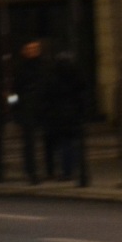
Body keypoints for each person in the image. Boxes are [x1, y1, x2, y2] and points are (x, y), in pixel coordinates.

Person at [42, 52, 87, 181]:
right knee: (71, 143)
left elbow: (47, 95)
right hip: (72, 113)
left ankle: (58, 171)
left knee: (59, 144)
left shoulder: (53, 75)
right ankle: (70, 170)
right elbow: (82, 93)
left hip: (57, 115)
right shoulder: (76, 74)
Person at [13, 39, 48, 184]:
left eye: (35, 49)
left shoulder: (43, 66)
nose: (33, 52)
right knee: (29, 142)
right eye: (30, 49)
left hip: (41, 105)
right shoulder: (21, 69)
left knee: (45, 139)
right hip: (28, 107)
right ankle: (31, 172)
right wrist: (16, 110)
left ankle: (45, 170)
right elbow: (16, 91)